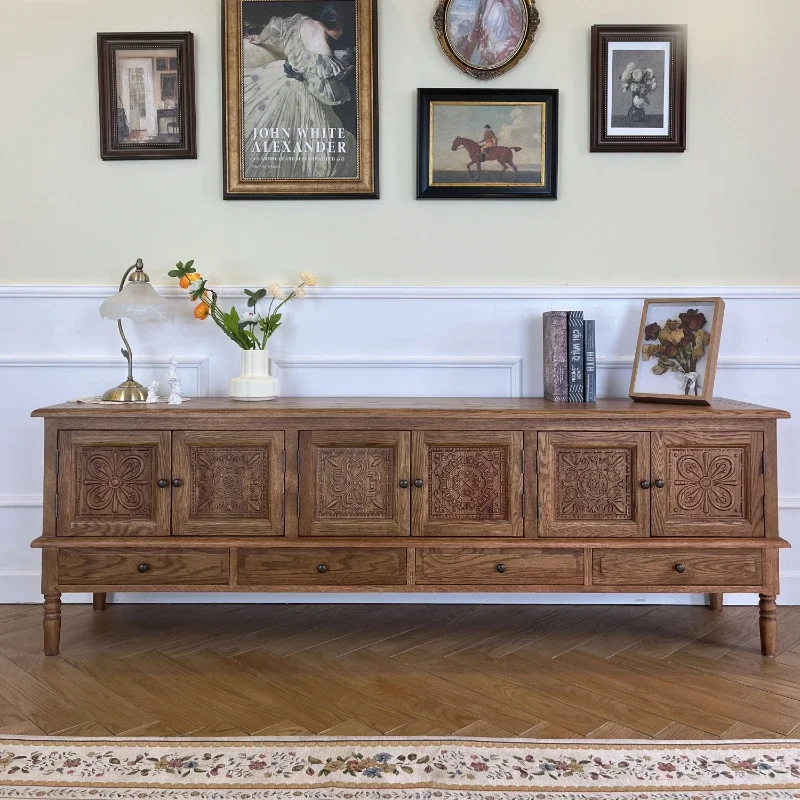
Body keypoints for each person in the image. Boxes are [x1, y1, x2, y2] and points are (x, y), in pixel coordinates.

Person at [243, 3, 357, 179]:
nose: (341, 32)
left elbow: (275, 25)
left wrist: (260, 38)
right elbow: (322, 91)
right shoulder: (323, 51)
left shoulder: (299, 21)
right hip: (300, 90)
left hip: (280, 74)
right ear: (330, 26)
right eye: (339, 28)